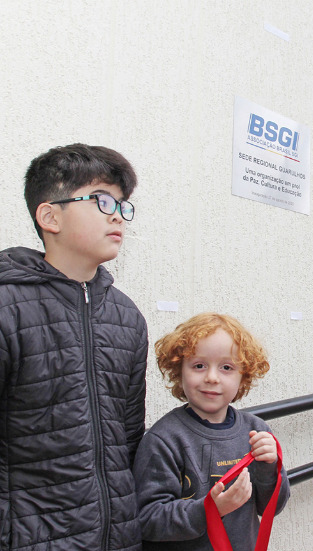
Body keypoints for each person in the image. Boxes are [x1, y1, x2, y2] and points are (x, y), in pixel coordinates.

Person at [0, 144, 148, 549]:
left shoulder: (127, 317)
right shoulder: (7, 307)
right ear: (50, 216)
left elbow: (129, 438)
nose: (117, 214)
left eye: (122, 204)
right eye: (101, 200)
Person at [133, 313, 290, 550]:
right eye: (199, 365)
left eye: (226, 367)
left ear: (243, 376)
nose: (212, 377)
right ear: (179, 370)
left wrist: (269, 467)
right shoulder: (163, 440)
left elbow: (272, 507)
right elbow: (147, 519)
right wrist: (211, 510)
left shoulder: (256, 431)